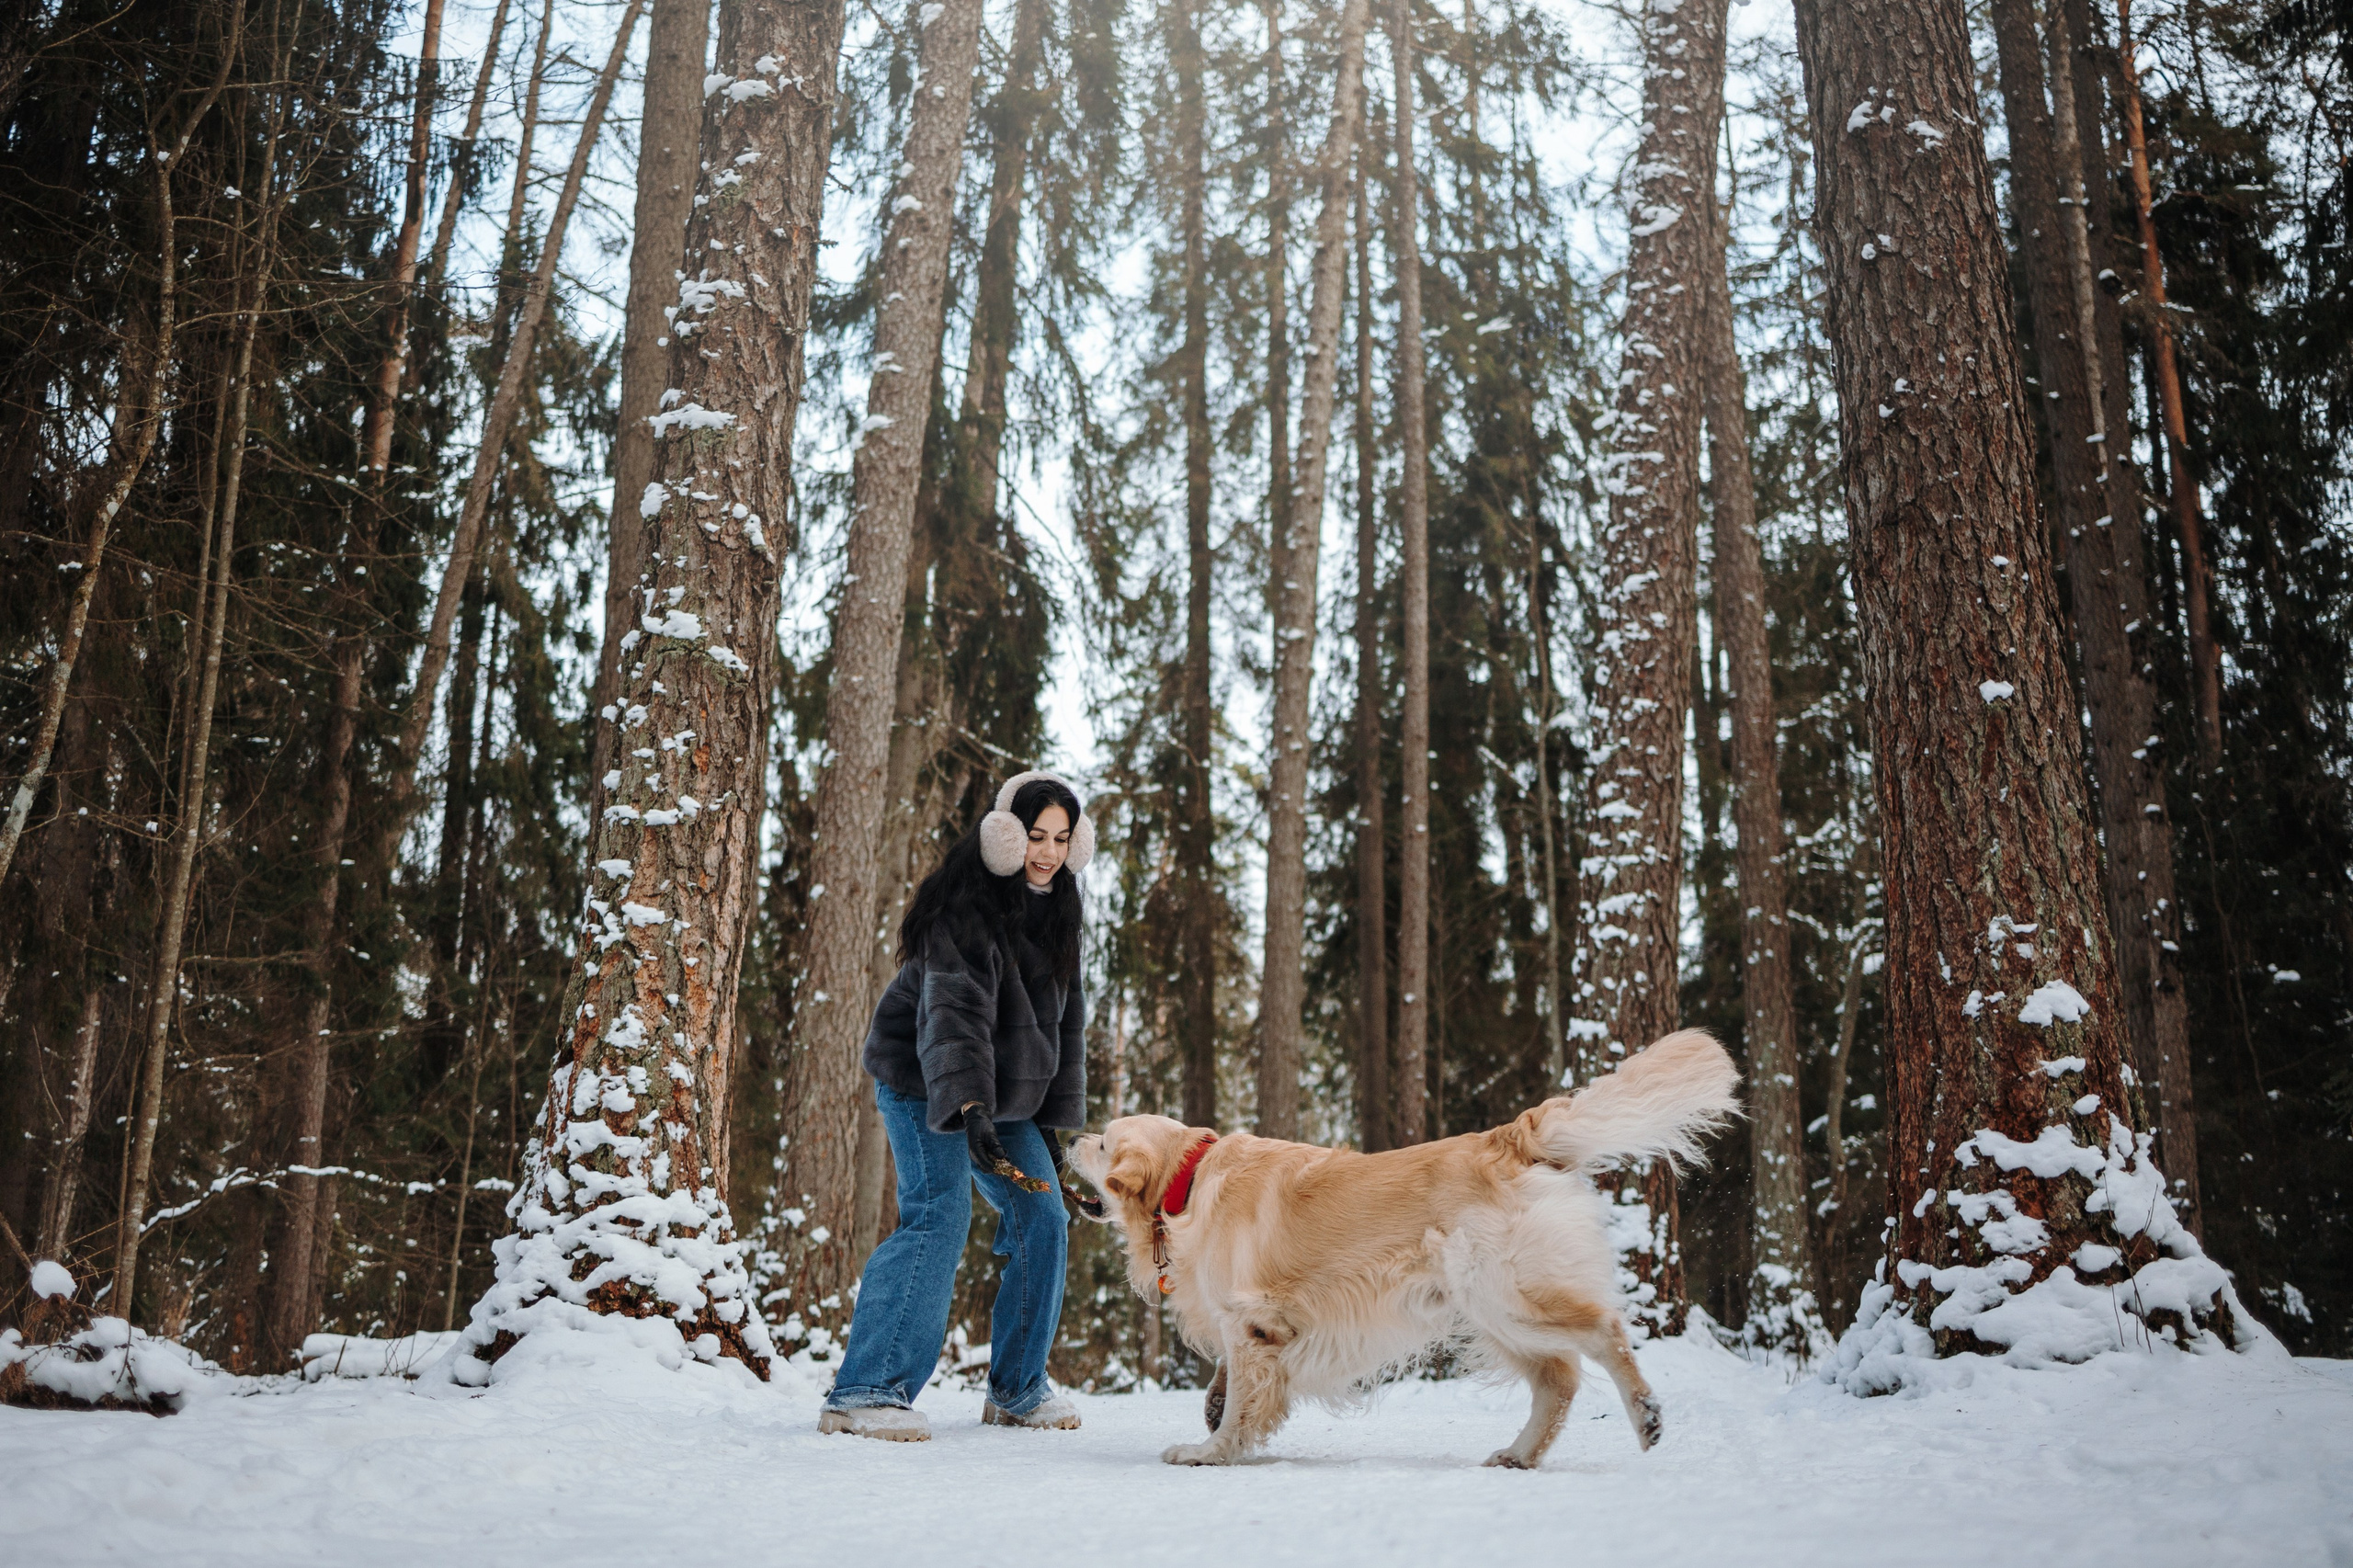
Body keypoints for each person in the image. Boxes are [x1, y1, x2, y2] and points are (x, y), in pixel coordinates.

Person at [817, 771, 1093, 1441]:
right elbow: (955, 1017)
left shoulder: (1059, 909)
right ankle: (863, 1390)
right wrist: (968, 1105)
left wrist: (1050, 1133)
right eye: (1035, 836)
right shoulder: (965, 909)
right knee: (939, 1213)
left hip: (1003, 1097)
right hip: (925, 1077)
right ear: (1004, 836)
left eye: (1061, 838)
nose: (1047, 853)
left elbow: (1066, 1024)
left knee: (1044, 1213)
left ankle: (1018, 1389)